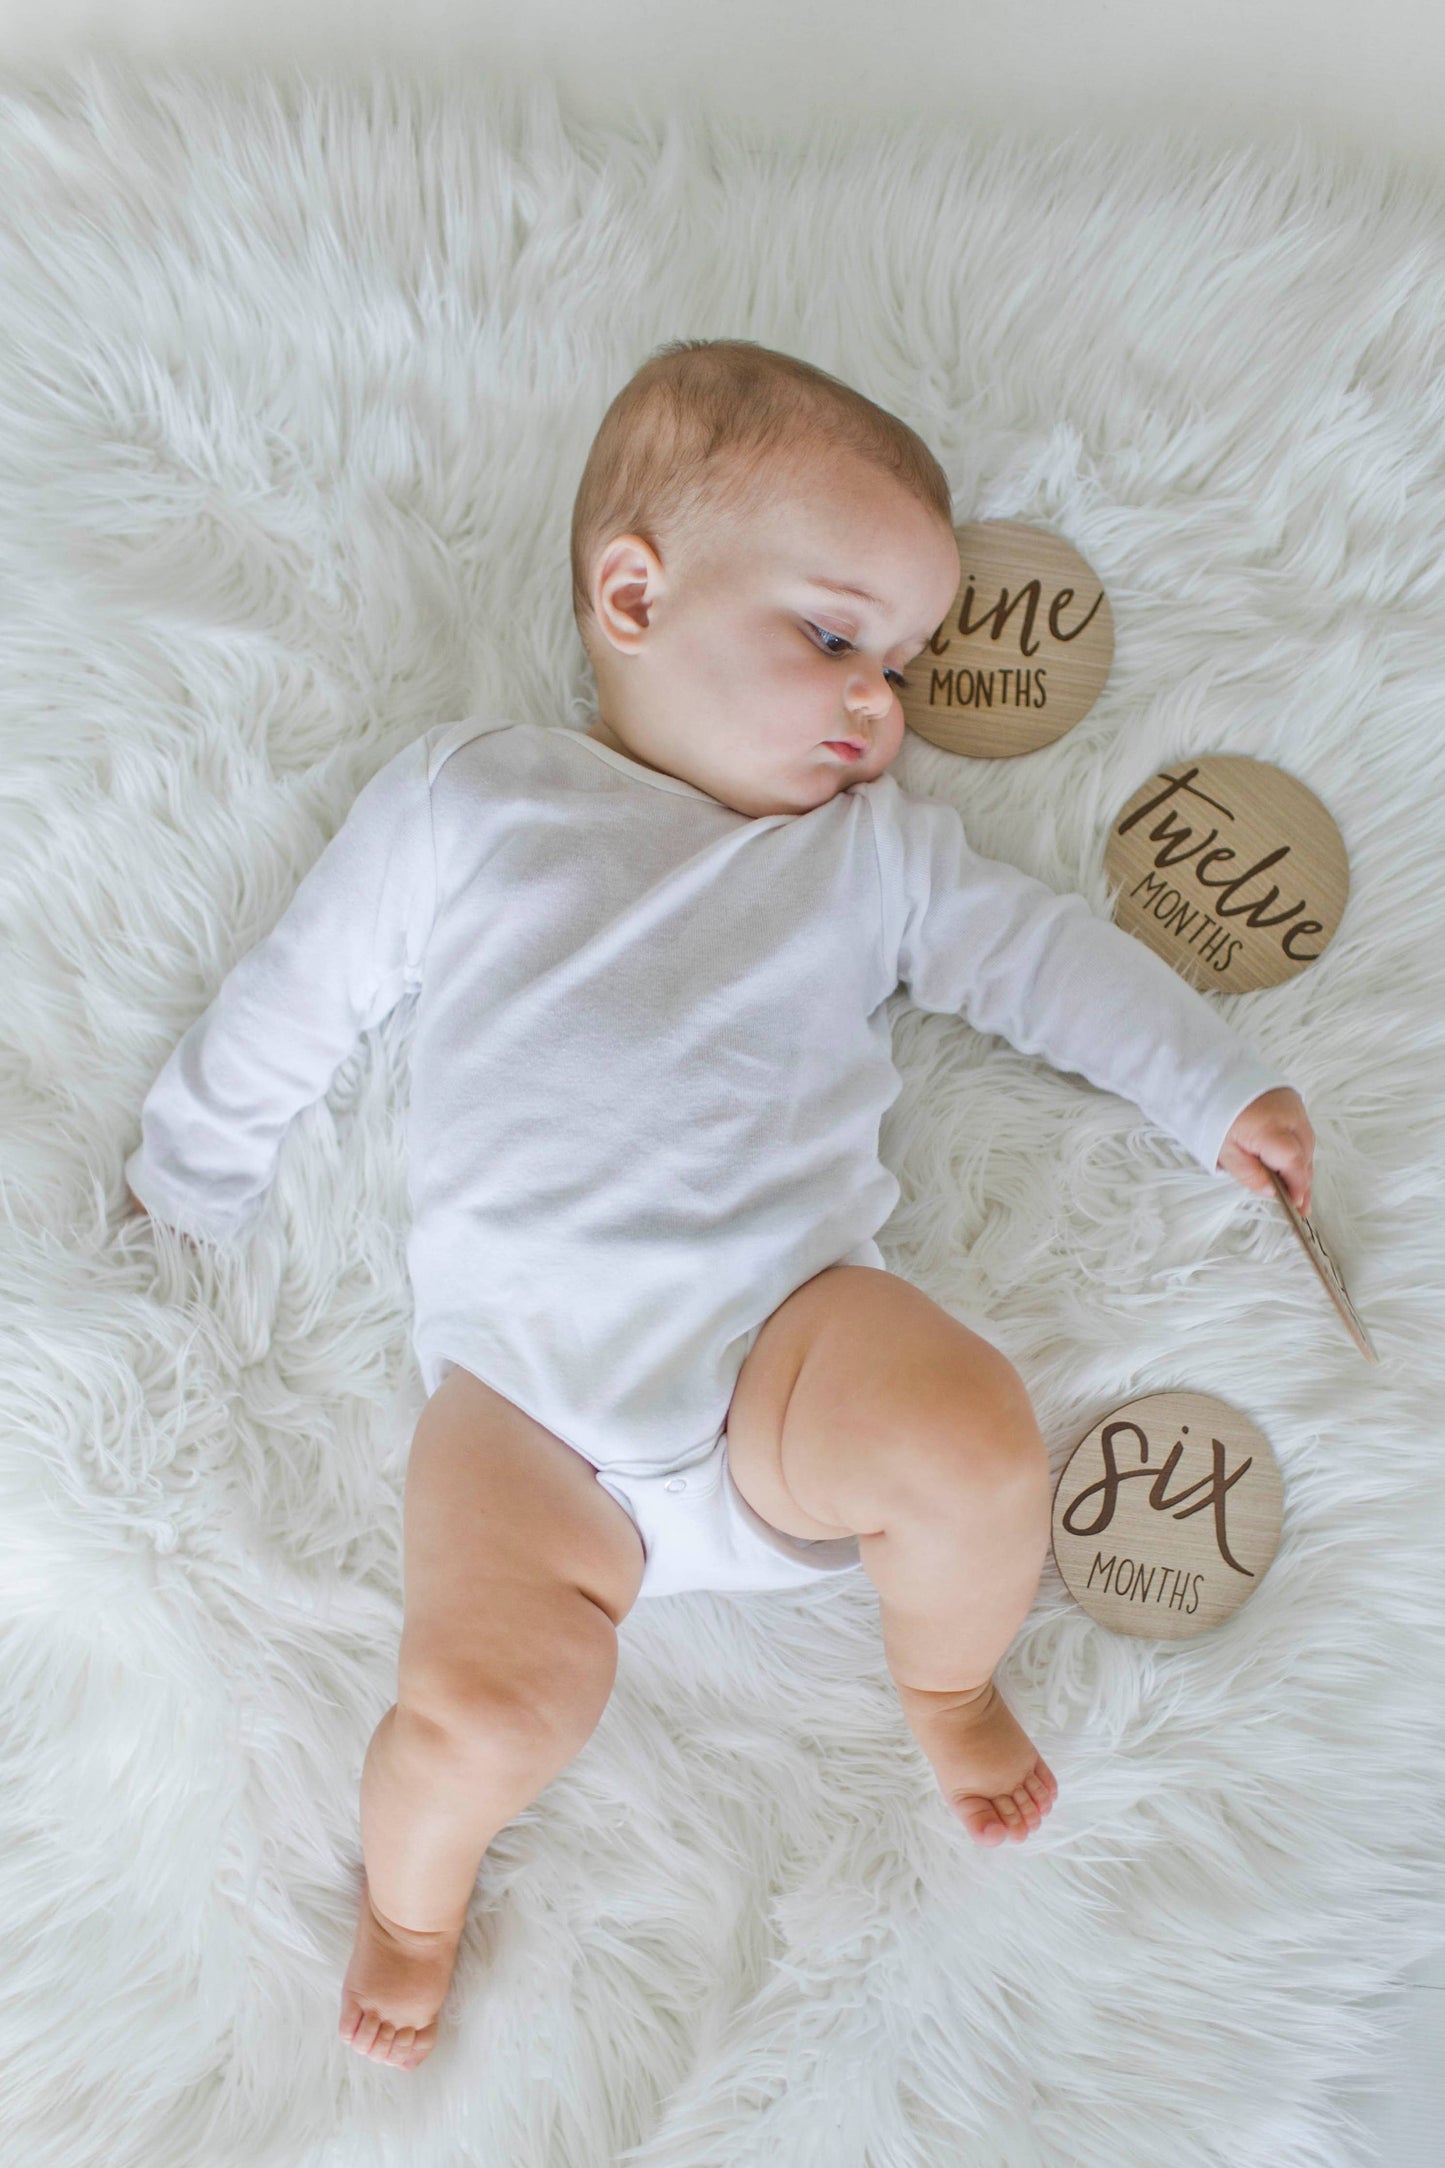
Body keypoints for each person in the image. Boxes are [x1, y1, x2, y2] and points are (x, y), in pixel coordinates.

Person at [124, 339, 1315, 2073]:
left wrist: (1208, 1087)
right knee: (476, 1707)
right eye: (832, 640)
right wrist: (192, 1163)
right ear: (635, 594)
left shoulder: (866, 856)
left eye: (897, 666)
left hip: (782, 1364)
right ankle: (412, 1905)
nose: (878, 706)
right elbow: (301, 990)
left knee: (971, 1438)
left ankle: (944, 1681)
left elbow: (1041, 962)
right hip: (527, 1419)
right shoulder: (482, 800)